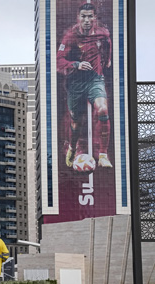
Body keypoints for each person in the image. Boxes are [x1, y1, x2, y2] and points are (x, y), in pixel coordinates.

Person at [57, 2, 112, 169]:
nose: (87, 20)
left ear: (94, 18)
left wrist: (106, 61)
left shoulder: (103, 34)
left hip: (95, 79)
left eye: (90, 17)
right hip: (75, 83)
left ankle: (103, 155)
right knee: (76, 122)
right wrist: (76, 64)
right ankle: (72, 148)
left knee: (103, 109)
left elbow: (108, 46)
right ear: (78, 18)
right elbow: (58, 60)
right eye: (83, 17)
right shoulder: (70, 37)